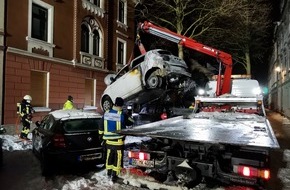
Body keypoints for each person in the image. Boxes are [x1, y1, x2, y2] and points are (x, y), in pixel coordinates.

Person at [98, 97, 134, 182]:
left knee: (109, 156)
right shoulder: (122, 114)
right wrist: (129, 114)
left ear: (114, 104)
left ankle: (109, 173)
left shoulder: (106, 113)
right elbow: (131, 121)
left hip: (108, 141)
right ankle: (114, 175)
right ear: (121, 105)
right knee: (117, 158)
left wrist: (100, 136)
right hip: (118, 142)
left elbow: (100, 125)